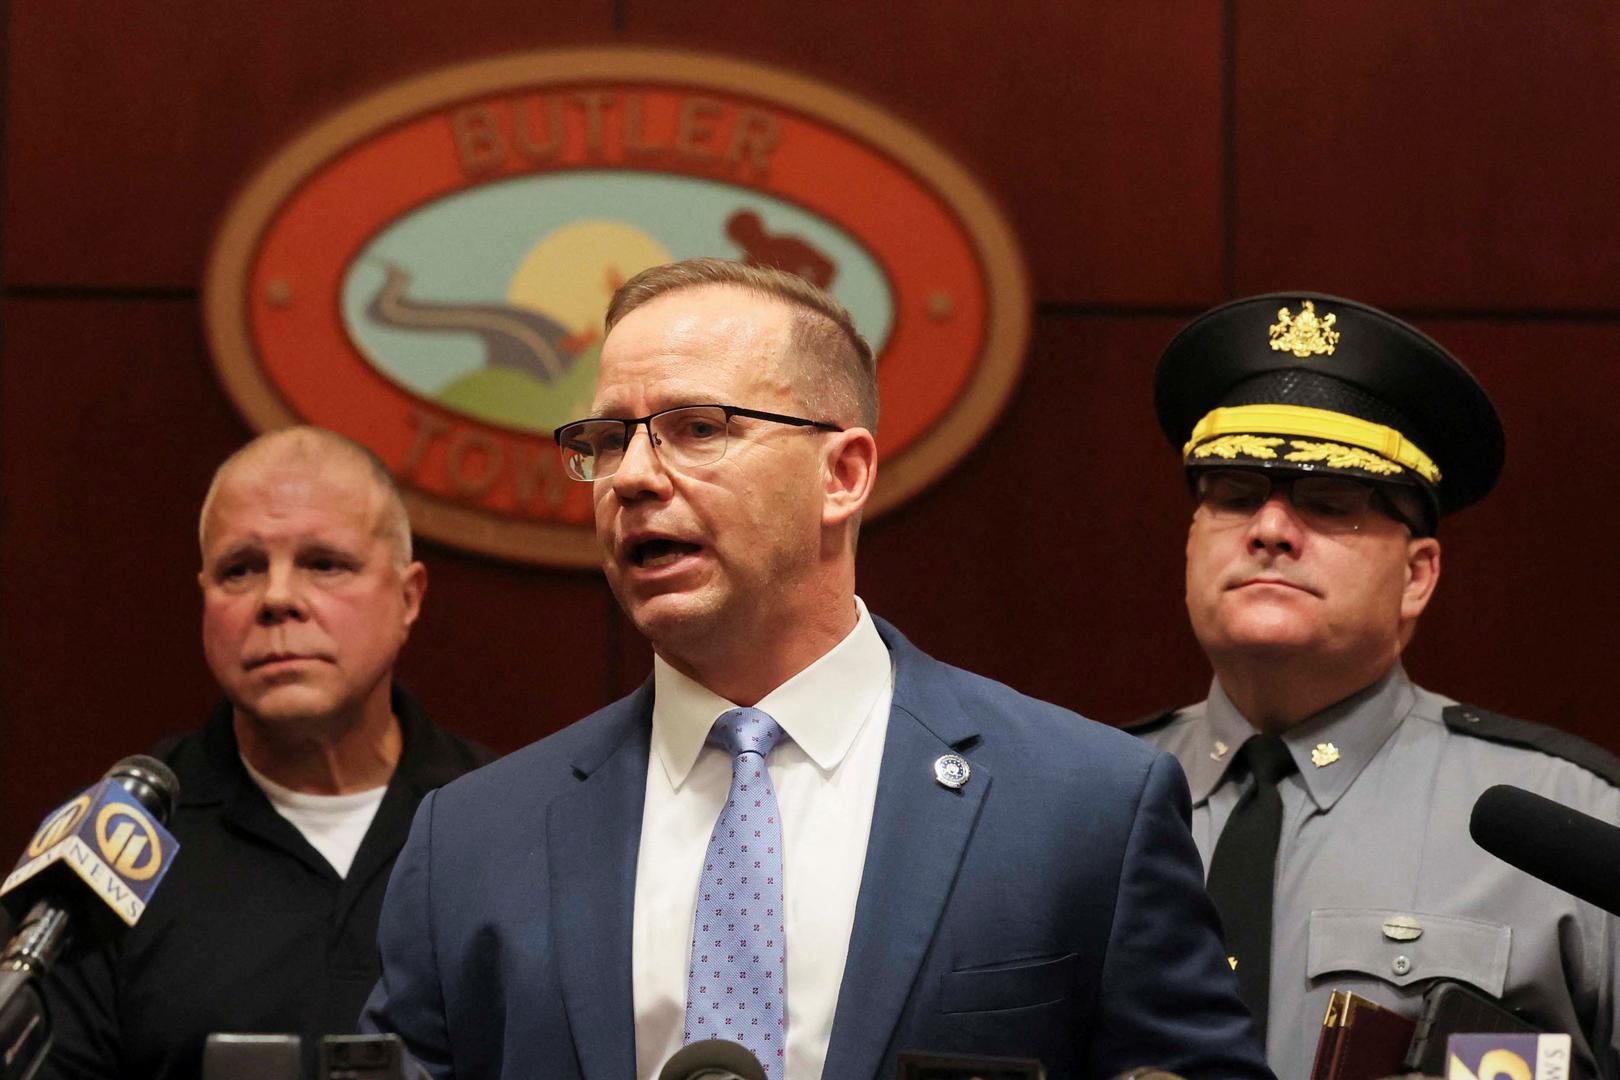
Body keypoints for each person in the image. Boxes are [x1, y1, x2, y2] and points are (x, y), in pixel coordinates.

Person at [362, 258, 1270, 1080]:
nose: (630, 476)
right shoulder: (473, 844)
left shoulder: (1084, 808)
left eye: (695, 428)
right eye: (606, 439)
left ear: (842, 474)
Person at [1133, 293, 1620, 1079]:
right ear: (1191, 542)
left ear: (1417, 576)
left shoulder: (1575, 825)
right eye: (1230, 496)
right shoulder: (1073, 803)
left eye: (1330, 504)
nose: (1269, 529)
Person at [39, 427, 495, 1079]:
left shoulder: (506, 822)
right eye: (240, 569)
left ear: (407, 597)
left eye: (324, 563)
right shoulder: (115, 844)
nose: (276, 598)